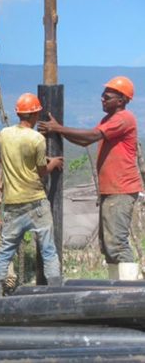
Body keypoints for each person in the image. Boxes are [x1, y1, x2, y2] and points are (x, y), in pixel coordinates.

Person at [38, 76, 143, 280]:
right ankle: (116, 290)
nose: (102, 99)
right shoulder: (109, 120)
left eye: (107, 96)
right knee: (109, 245)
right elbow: (84, 141)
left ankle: (131, 293)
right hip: (111, 190)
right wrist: (59, 129)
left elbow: (92, 136)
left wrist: (57, 128)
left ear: (121, 100)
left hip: (120, 189)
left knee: (117, 244)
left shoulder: (124, 118)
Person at [0, 93, 63, 297]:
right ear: (36, 114)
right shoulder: (37, 139)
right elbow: (41, 171)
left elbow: (17, 158)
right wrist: (54, 163)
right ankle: (56, 295)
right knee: (48, 249)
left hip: (12, 203)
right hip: (36, 202)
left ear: (18, 113)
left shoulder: (4, 134)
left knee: (6, 250)